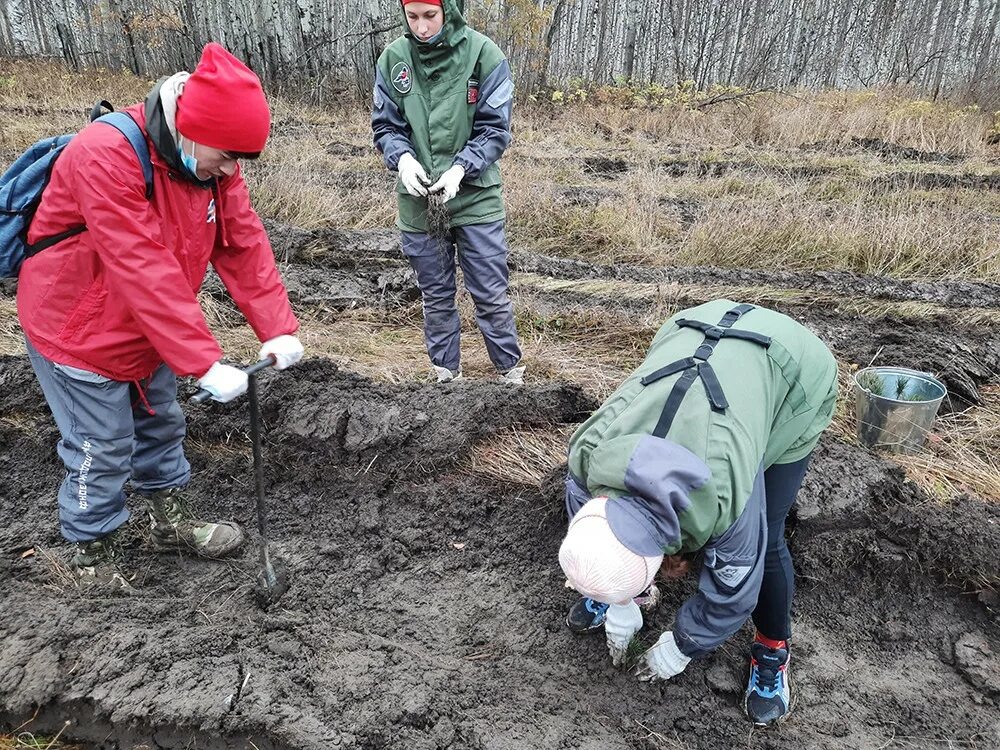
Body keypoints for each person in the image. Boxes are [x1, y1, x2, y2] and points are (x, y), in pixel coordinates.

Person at [16, 43, 304, 589]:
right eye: (227, 154)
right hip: (76, 328)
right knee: (101, 443)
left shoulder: (211, 165)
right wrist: (202, 360)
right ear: (192, 128)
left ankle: (168, 523)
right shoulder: (105, 154)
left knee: (160, 424)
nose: (232, 169)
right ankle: (92, 548)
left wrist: (278, 327)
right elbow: (141, 264)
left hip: (146, 329)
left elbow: (241, 243)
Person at [557, 300, 838, 726]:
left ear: (658, 562)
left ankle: (773, 648)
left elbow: (733, 590)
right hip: (692, 330)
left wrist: (684, 644)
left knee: (770, 533)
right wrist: (614, 597)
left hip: (791, 372)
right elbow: (590, 524)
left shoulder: (724, 497)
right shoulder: (587, 456)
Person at [372, 0, 524, 384]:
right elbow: (386, 126)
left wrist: (461, 168)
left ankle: (510, 373)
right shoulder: (394, 59)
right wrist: (403, 158)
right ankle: (445, 377)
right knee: (436, 297)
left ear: (449, 11)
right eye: (413, 17)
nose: (421, 27)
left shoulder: (484, 55)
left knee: (490, 294)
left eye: (430, 16)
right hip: (420, 202)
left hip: (475, 198)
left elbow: (495, 129)